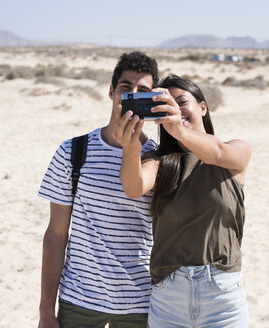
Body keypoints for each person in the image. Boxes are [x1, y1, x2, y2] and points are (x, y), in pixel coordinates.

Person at [112, 75, 251, 327]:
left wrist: (179, 130)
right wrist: (130, 147)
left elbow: (217, 152)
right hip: (168, 297)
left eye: (182, 102)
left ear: (203, 107)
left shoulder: (235, 150)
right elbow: (133, 188)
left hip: (221, 295)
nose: (176, 109)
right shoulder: (160, 161)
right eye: (168, 104)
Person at [37, 51, 159, 328]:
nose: (131, 96)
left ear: (151, 101)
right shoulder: (72, 151)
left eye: (142, 92)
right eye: (126, 88)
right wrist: (46, 310)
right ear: (111, 91)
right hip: (79, 301)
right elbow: (56, 234)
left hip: (141, 303)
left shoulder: (159, 159)